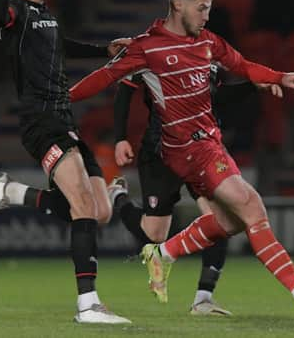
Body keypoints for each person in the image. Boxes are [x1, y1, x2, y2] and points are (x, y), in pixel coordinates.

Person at [70, 0, 294, 317]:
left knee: (232, 221)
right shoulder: (147, 47)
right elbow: (105, 78)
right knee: (251, 205)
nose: (207, 15)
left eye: (209, 8)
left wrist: (279, 76)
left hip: (211, 141)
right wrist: (64, 99)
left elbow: (242, 65)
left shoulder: (207, 41)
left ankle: (163, 254)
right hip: (185, 147)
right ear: (178, 4)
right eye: (202, 8)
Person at [0, 0, 130, 324]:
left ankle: (13, 192)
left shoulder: (45, 16)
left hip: (63, 119)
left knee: (100, 211)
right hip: (41, 121)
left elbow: (62, 45)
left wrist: (103, 50)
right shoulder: (16, 13)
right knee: (82, 207)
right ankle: (88, 305)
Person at [109, 59, 281, 315]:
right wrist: (120, 137)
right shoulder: (153, 49)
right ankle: (119, 197)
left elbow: (218, 97)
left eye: (205, 15)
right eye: (200, 14)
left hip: (202, 150)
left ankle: (203, 298)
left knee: (219, 219)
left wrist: (253, 86)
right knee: (154, 233)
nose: (203, 18)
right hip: (161, 152)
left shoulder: (209, 54)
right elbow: (125, 88)